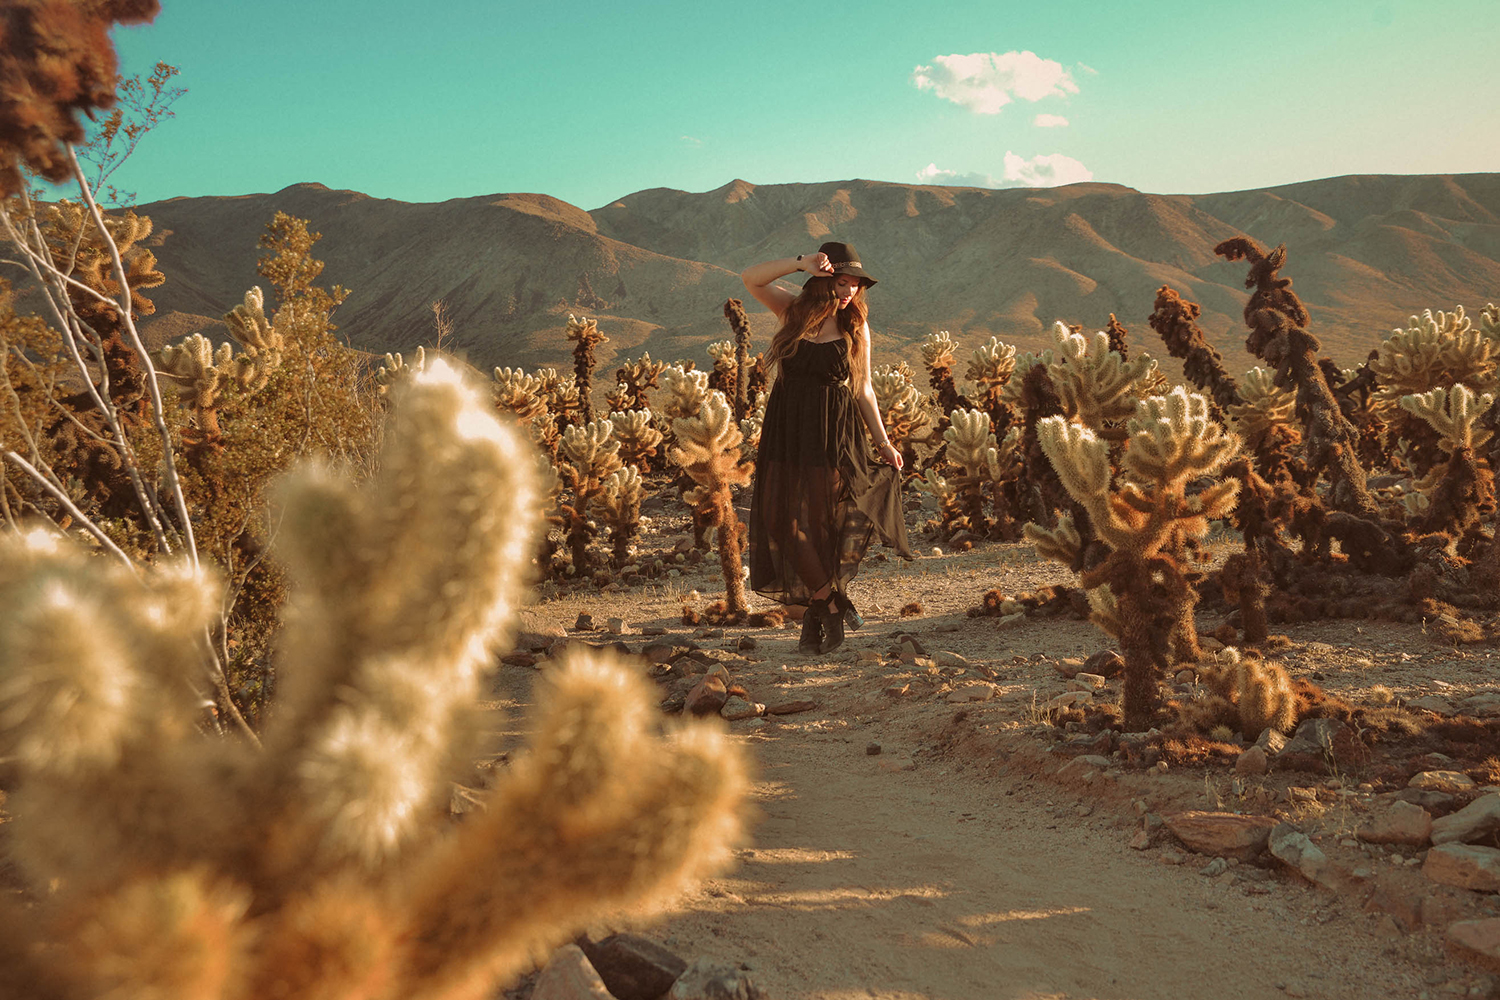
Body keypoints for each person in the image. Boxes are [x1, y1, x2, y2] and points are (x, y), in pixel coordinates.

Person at [740, 241, 913, 655]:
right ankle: (828, 602)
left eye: (855, 284)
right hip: (787, 427)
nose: (850, 290)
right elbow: (750, 278)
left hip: (834, 430)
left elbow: (865, 389)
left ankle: (817, 613)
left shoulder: (855, 326)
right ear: (823, 279)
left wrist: (884, 442)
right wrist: (801, 263)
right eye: (843, 281)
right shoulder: (790, 311)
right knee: (779, 518)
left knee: (819, 523)